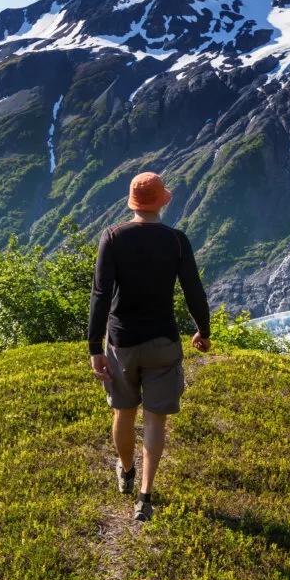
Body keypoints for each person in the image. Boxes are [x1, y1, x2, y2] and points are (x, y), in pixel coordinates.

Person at [87, 171, 211, 522]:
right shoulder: (176, 241)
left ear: (132, 202)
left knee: (123, 412)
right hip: (163, 340)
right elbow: (193, 290)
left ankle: (125, 470)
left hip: (122, 342)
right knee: (155, 420)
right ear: (163, 201)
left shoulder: (112, 237)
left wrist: (95, 346)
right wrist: (203, 330)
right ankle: (145, 495)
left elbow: (100, 294)